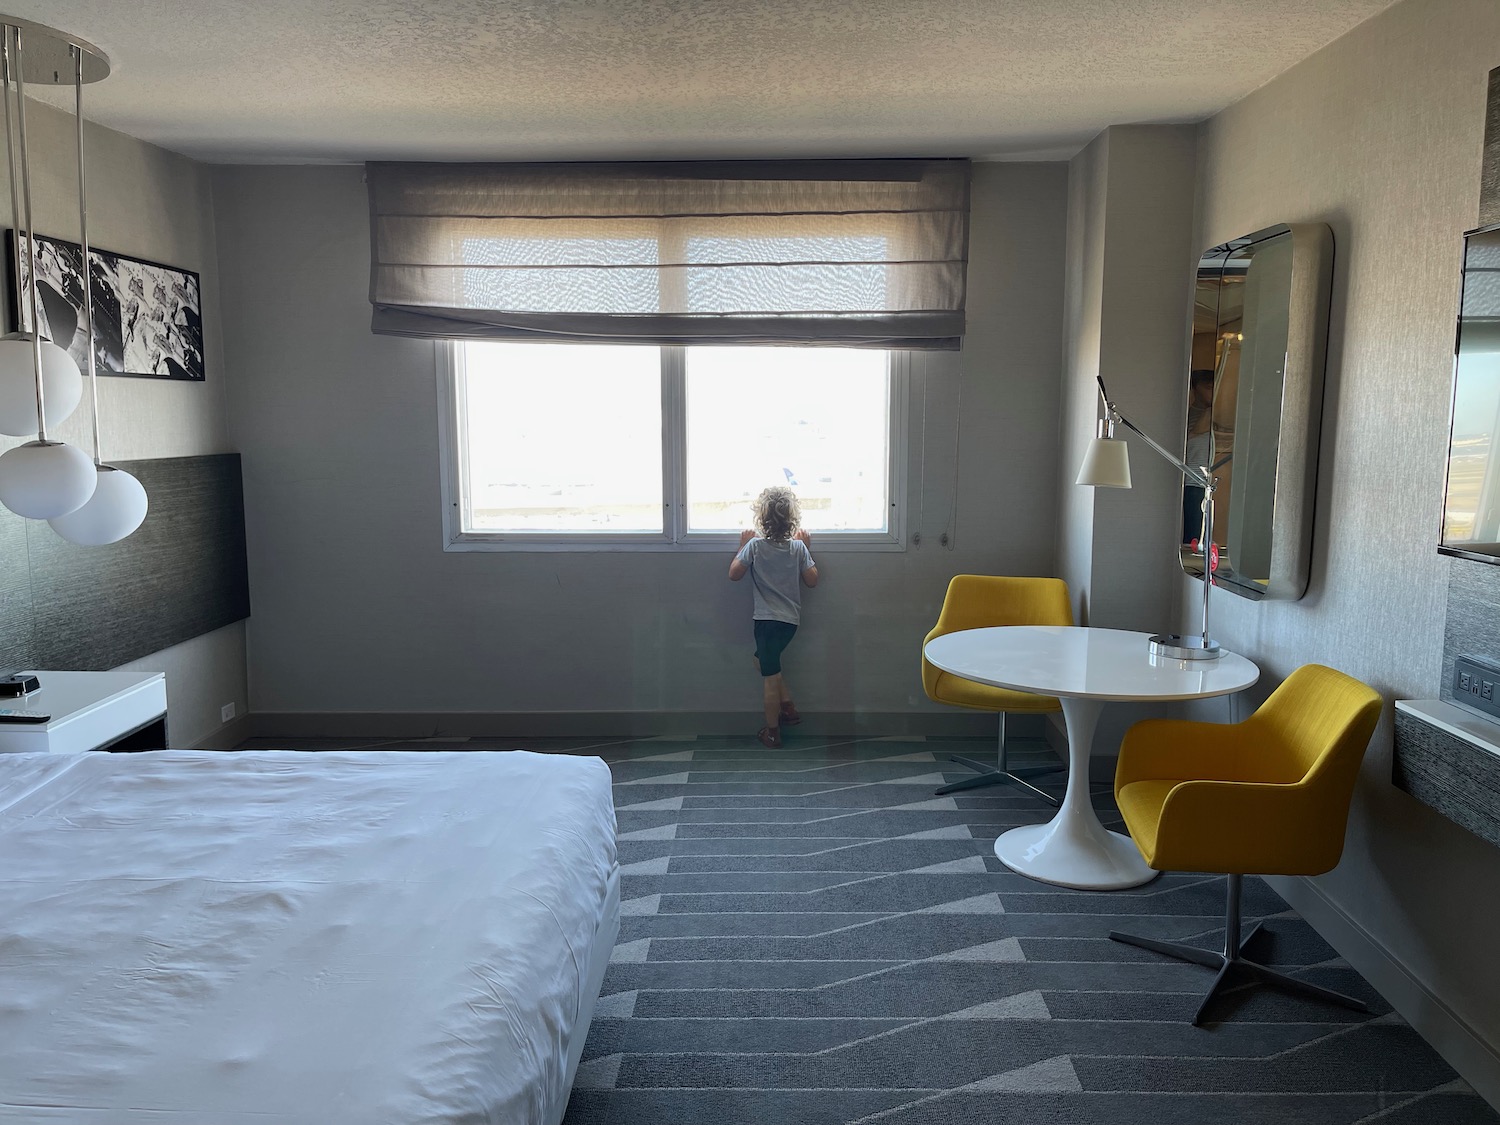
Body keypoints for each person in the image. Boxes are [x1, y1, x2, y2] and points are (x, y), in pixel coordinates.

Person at [729, 486, 819, 749]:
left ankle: (772, 731)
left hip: (765, 622)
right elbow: (812, 581)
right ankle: (788, 707)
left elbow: (734, 574)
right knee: (764, 663)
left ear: (761, 520)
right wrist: (807, 549)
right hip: (789, 623)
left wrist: (742, 546)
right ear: (793, 520)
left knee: (768, 675)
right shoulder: (798, 548)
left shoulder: (754, 547)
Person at [1183, 369, 1215, 544]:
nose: (1212, 391)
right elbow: (1189, 438)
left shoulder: (1221, 416)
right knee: (1194, 538)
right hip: (1193, 483)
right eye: (1208, 387)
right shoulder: (1187, 415)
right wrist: (1211, 410)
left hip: (1212, 483)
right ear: (1194, 389)